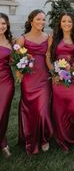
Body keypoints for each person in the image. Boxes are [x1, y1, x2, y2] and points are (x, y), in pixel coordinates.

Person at [46, 12, 74, 152]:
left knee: (73, 104)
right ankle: (61, 136)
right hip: (58, 75)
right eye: (64, 21)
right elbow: (48, 56)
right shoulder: (53, 37)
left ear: (73, 23)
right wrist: (53, 72)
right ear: (60, 23)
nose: (66, 24)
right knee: (59, 105)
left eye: (69, 21)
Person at [17, 9, 53, 154]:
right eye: (38, 19)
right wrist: (19, 69)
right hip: (29, 79)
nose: (41, 22)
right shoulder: (22, 39)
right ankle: (29, 137)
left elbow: (49, 57)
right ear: (31, 21)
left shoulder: (48, 37)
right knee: (30, 109)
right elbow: (15, 58)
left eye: (43, 19)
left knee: (42, 109)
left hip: (44, 77)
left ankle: (44, 138)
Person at [0, 13, 14, 157]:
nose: (1, 26)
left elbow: (13, 61)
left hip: (6, 82)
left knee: (2, 113)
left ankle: (2, 143)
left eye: (3, 23)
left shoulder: (11, 42)